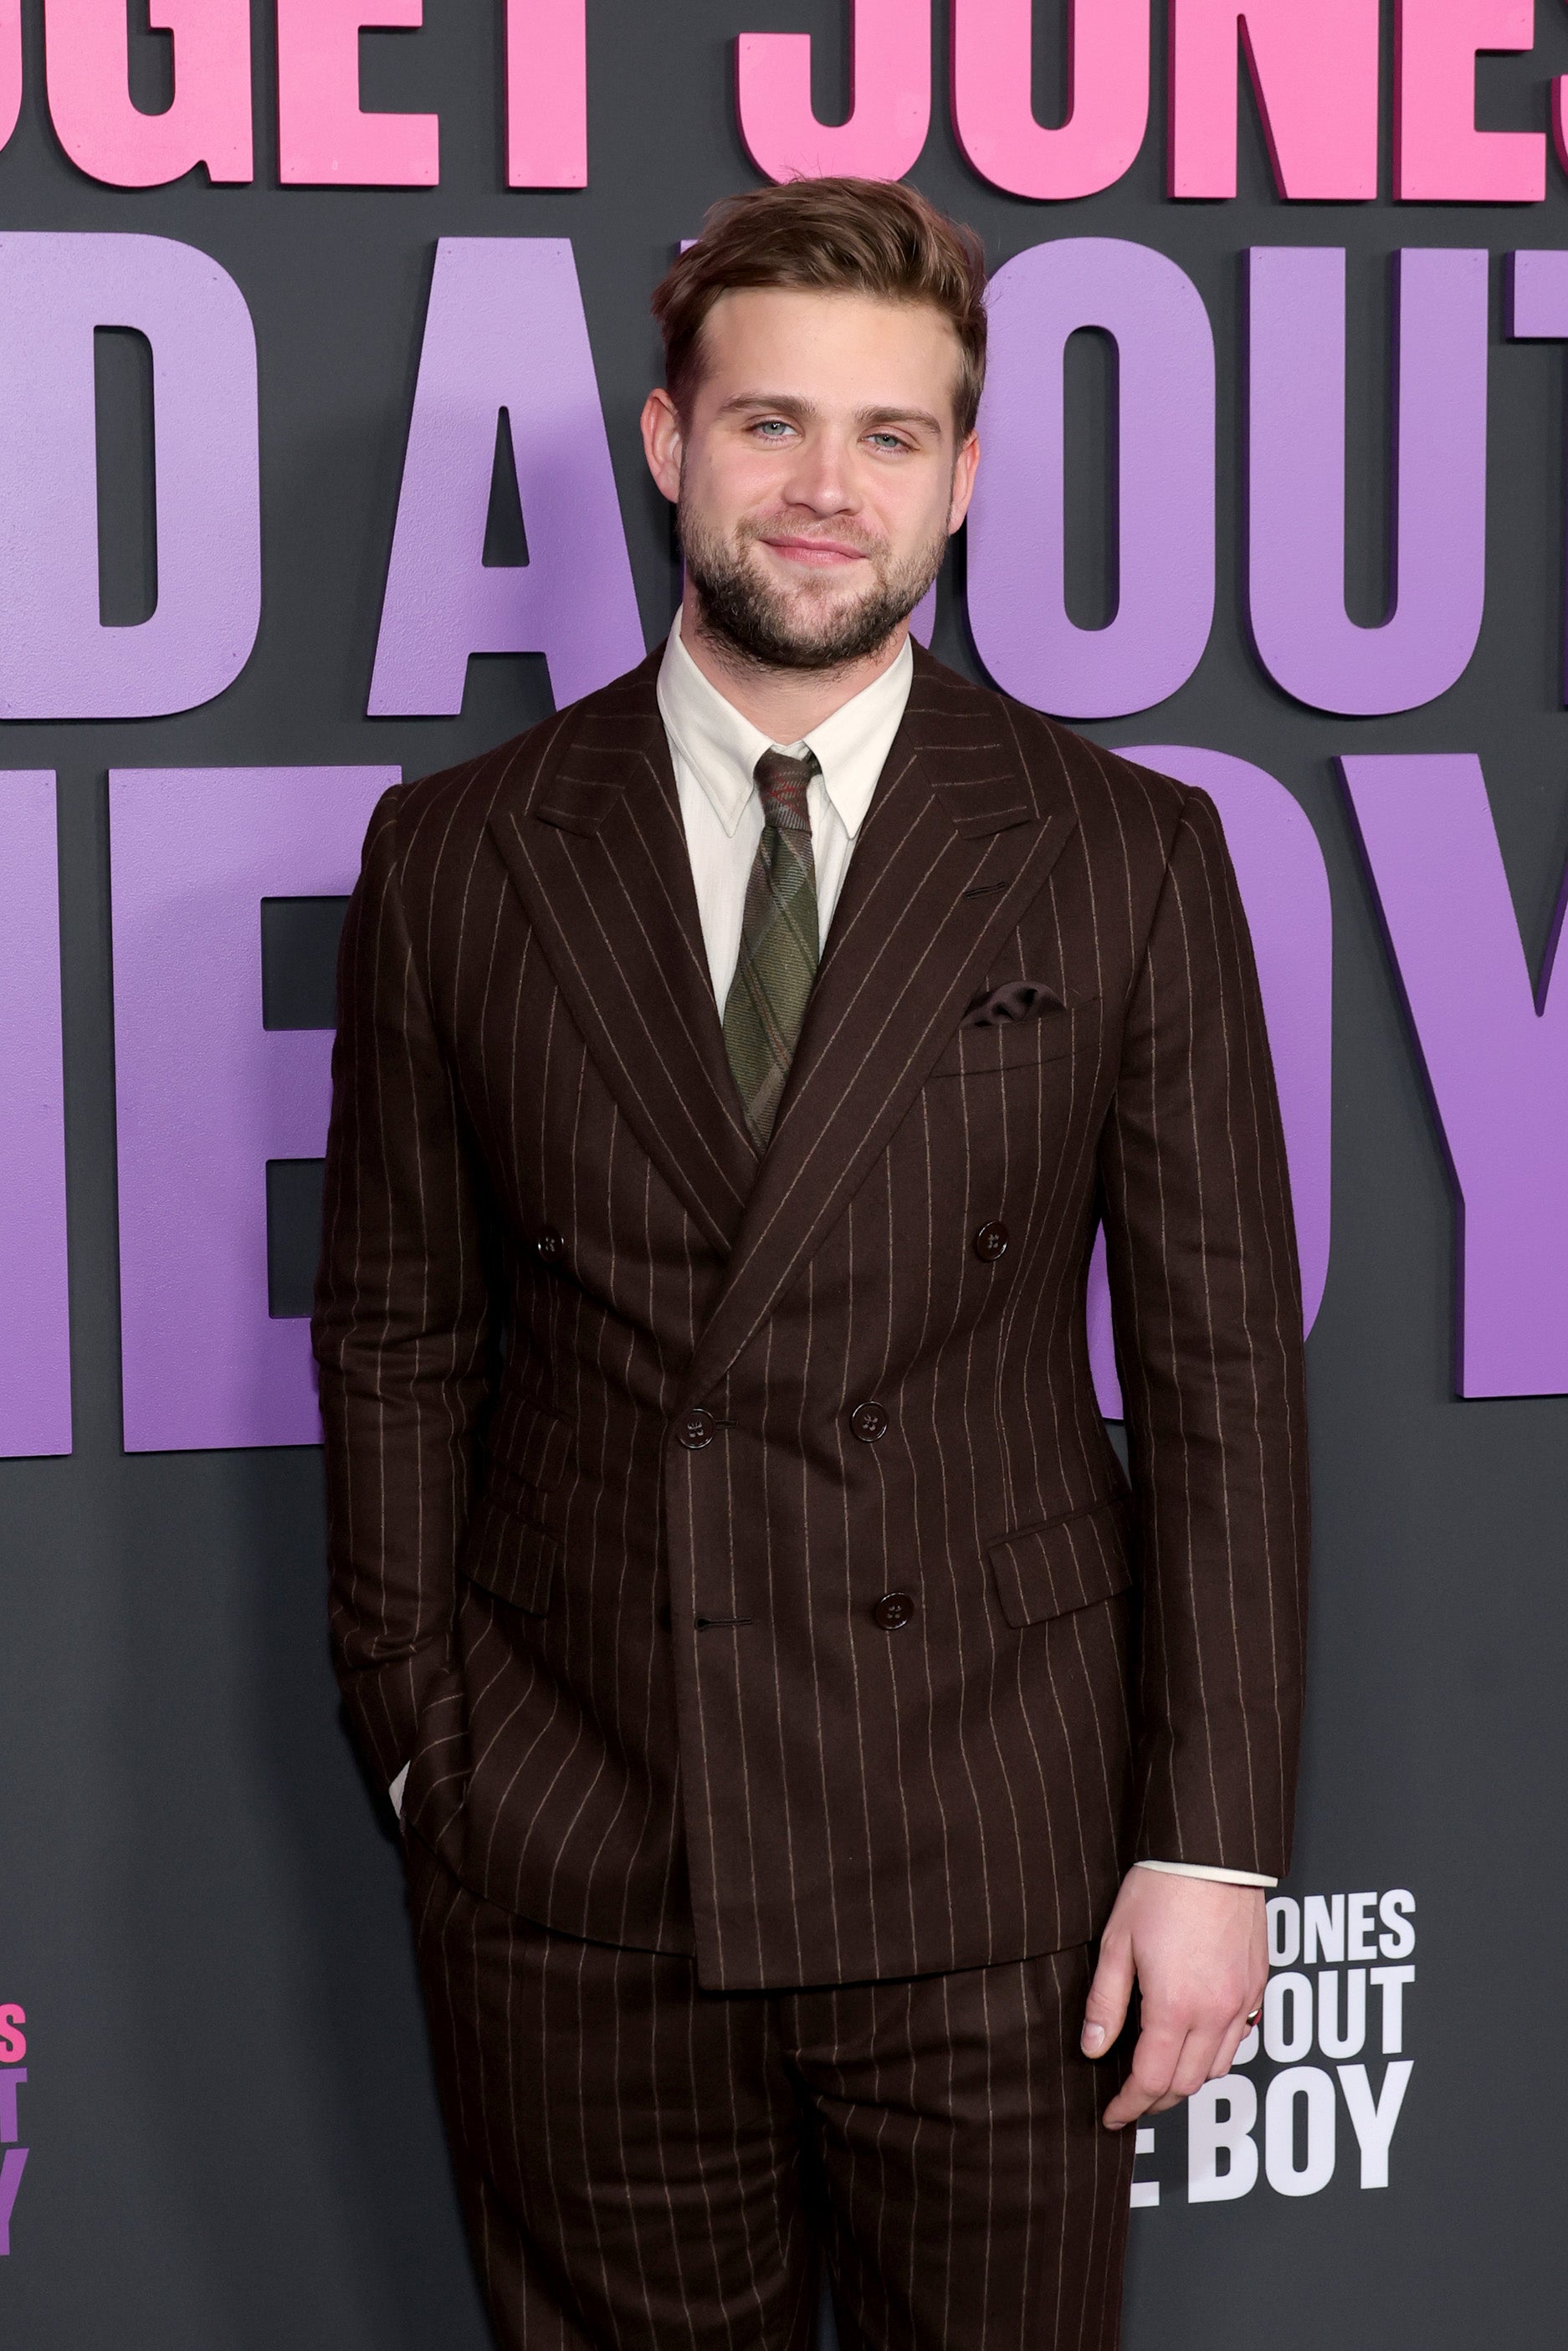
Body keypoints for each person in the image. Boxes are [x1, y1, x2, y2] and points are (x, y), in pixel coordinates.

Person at [313, 176, 1309, 2351]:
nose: (821, 490)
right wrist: (428, 1741)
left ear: (959, 476)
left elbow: (1223, 1370)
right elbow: (396, 1329)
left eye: (884, 437)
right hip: (583, 1843)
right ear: (669, 445)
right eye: (767, 425)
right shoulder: (463, 850)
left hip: (991, 1846)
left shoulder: (1125, 851)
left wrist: (1210, 1842)